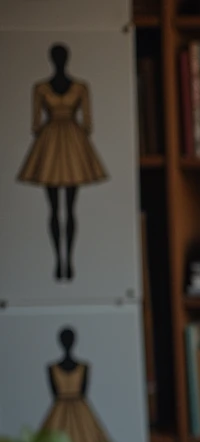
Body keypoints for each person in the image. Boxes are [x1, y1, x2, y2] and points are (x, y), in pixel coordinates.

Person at [18, 43, 109, 282]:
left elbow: (37, 126)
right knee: (60, 209)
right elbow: (86, 125)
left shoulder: (77, 87)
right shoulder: (43, 88)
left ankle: (66, 261)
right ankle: (61, 261)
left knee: (66, 209)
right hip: (66, 142)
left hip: (59, 143)